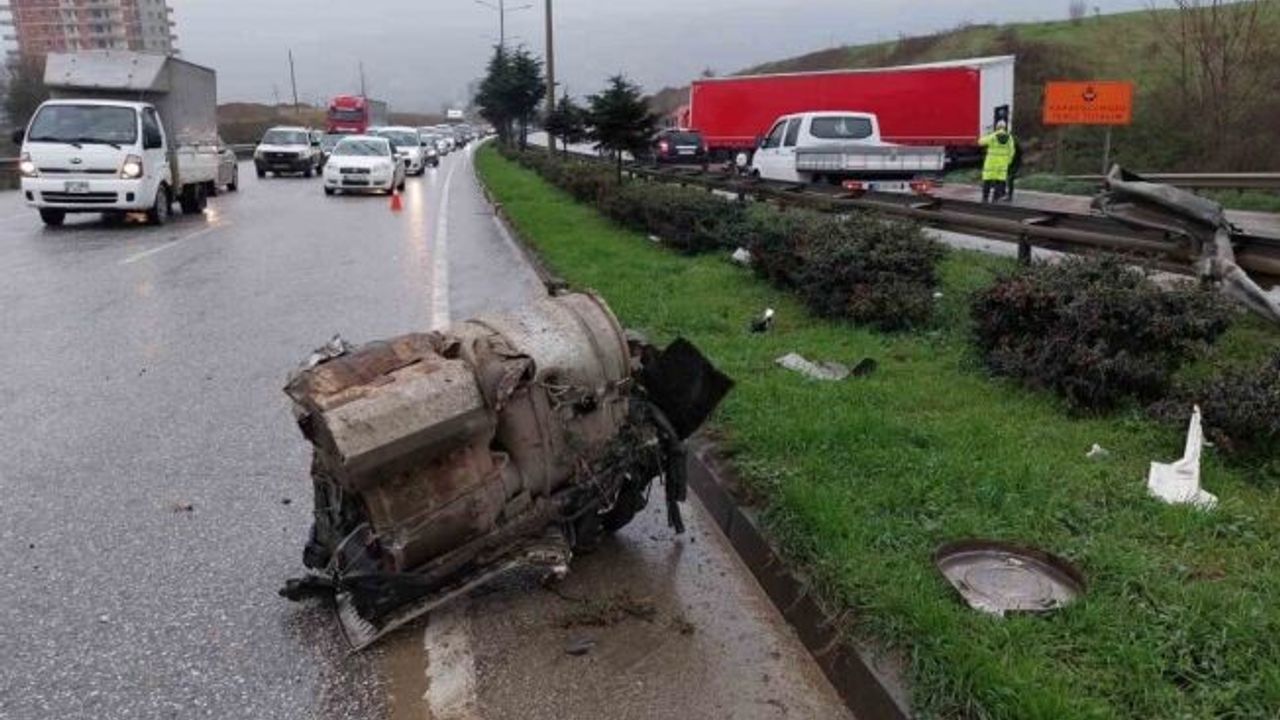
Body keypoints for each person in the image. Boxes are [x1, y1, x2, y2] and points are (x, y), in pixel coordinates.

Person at [978, 121, 1016, 203]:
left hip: (991, 164)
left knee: (987, 180)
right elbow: (1012, 151)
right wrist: (1008, 161)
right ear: (1005, 128)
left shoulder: (993, 136)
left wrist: (987, 134)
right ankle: (995, 199)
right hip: (1002, 164)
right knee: (999, 181)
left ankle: (985, 198)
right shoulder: (1009, 138)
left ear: (997, 127)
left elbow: (980, 142)